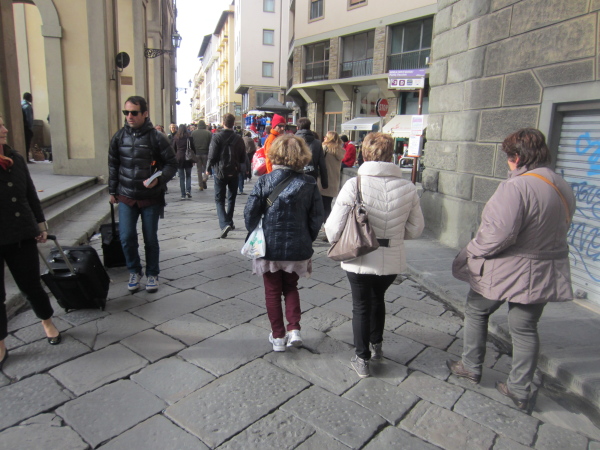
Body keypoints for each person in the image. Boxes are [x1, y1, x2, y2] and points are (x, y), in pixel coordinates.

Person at [447, 128, 575, 411]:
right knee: (525, 328)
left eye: (508, 157)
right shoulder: (561, 185)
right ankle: (519, 389)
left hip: (508, 268)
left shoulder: (516, 187)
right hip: (545, 270)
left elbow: (499, 235)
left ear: (517, 157)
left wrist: (471, 251)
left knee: (476, 309)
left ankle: (470, 366)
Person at [325, 132, 424, 378]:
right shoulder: (408, 187)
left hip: (359, 254)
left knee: (361, 305)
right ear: (391, 154)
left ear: (365, 153)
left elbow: (333, 227)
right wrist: (395, 237)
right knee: (378, 298)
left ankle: (362, 359)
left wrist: (337, 240)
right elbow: (416, 229)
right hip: (391, 256)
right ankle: (376, 345)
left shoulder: (354, 184)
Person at [244, 134, 324, 352]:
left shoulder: (264, 180)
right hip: (297, 244)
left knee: (272, 291)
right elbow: (317, 217)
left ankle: (278, 337)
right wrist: (307, 237)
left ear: (275, 154)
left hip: (269, 245)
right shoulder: (309, 183)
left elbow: (250, 214)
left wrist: (253, 231)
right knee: (291, 286)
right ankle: (294, 329)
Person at [0, 115, 62, 369]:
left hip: (21, 233)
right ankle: (0, 342)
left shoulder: (15, 159)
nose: (5, 129)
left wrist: (40, 225)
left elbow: (29, 194)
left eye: (3, 124)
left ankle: (47, 321)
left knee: (31, 285)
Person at [108, 96, 177, 293]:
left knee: (150, 238)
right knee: (126, 237)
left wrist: (159, 179)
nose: (129, 116)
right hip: (126, 195)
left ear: (145, 113)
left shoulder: (157, 137)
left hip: (150, 197)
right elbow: (113, 164)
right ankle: (134, 270)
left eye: (134, 112)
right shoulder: (119, 137)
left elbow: (172, 164)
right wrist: (112, 190)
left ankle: (152, 273)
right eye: (126, 112)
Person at [207, 113, 246, 238]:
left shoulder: (217, 137)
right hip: (234, 171)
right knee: (231, 197)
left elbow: (212, 155)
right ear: (233, 123)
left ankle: (224, 224)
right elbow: (243, 157)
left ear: (223, 123)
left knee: (219, 199)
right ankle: (229, 221)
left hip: (220, 171)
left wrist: (208, 168)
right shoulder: (239, 138)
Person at [319, 131, 346, 223]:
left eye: (326, 136)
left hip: (324, 181)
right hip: (334, 182)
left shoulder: (325, 149)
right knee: (327, 206)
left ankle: (325, 225)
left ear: (329, 138)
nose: (324, 138)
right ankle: (328, 226)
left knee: (321, 206)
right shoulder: (339, 151)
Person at [295, 118, 328, 191]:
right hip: (311, 175)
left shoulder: (291, 141)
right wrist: (324, 183)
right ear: (309, 127)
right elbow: (322, 164)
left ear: (297, 128)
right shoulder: (317, 143)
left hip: (294, 177)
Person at [172, 124, 194, 200]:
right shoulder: (189, 137)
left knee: (181, 177)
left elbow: (173, 148)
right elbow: (193, 148)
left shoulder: (176, 137)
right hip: (188, 158)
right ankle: (188, 191)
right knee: (188, 175)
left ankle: (183, 194)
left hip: (179, 158)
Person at [191, 120, 212, 191]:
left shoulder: (193, 133)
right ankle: (205, 179)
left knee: (199, 170)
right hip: (206, 153)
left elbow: (191, 144)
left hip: (197, 153)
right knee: (207, 168)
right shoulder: (208, 133)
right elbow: (211, 144)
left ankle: (200, 185)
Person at [21, 93, 34, 162]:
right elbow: (29, 119)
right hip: (27, 128)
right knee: (27, 143)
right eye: (31, 97)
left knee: (24, 143)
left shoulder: (21, 104)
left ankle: (25, 158)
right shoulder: (27, 107)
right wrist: (31, 128)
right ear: (29, 97)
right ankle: (27, 158)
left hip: (23, 127)